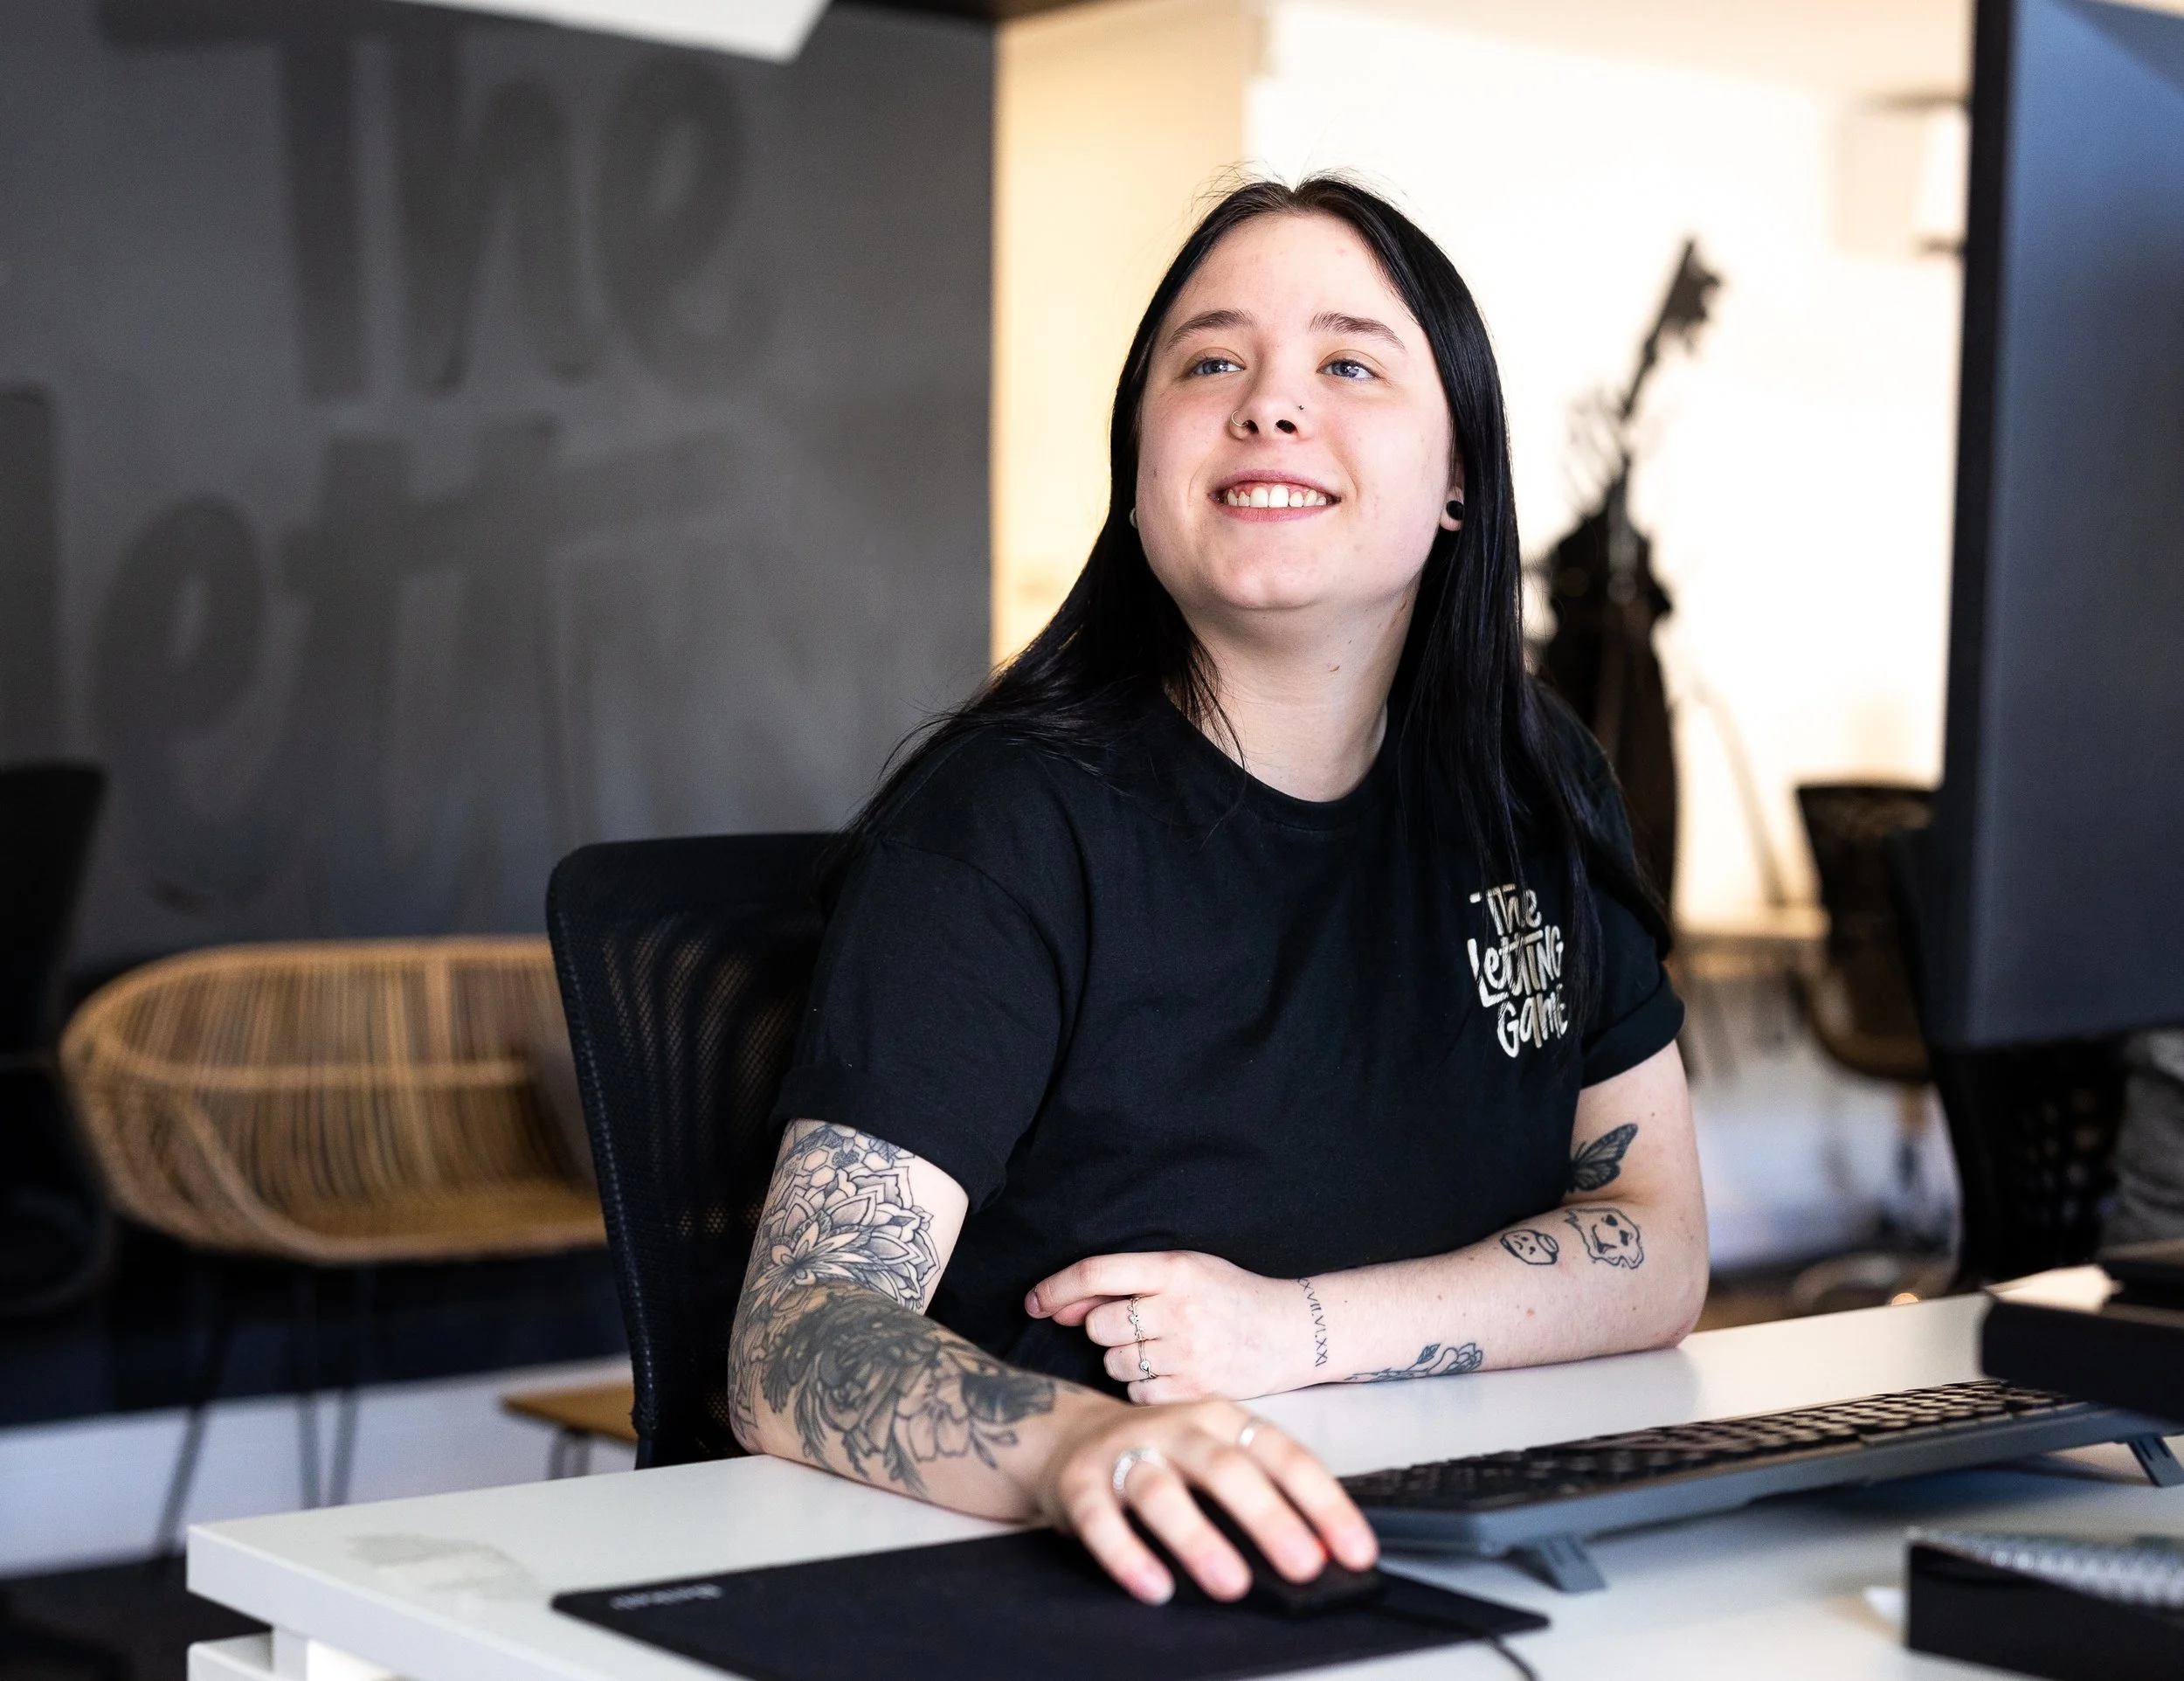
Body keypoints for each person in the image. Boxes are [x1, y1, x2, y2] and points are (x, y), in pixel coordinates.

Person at [727, 176, 1709, 1608]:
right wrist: (1089, 1451)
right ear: (1139, 465)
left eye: (1350, 363)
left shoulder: (1534, 781)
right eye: (1211, 361)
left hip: (1422, 1532)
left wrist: (1289, 1334)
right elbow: (796, 1336)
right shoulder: (1004, 821)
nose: (1269, 404)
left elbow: (1663, 1245)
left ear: (1458, 480)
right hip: (1065, 1574)